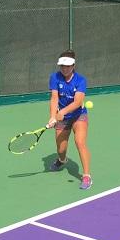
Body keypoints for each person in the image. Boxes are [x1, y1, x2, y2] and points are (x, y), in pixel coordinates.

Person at [47, 50, 92, 190]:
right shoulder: (54, 77)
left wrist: (64, 112)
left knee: (80, 142)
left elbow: (78, 102)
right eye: (62, 66)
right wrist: (53, 116)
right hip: (62, 118)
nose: (65, 69)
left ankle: (86, 176)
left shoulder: (80, 80)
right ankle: (62, 160)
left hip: (79, 115)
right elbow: (54, 98)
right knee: (61, 149)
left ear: (73, 65)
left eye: (68, 66)